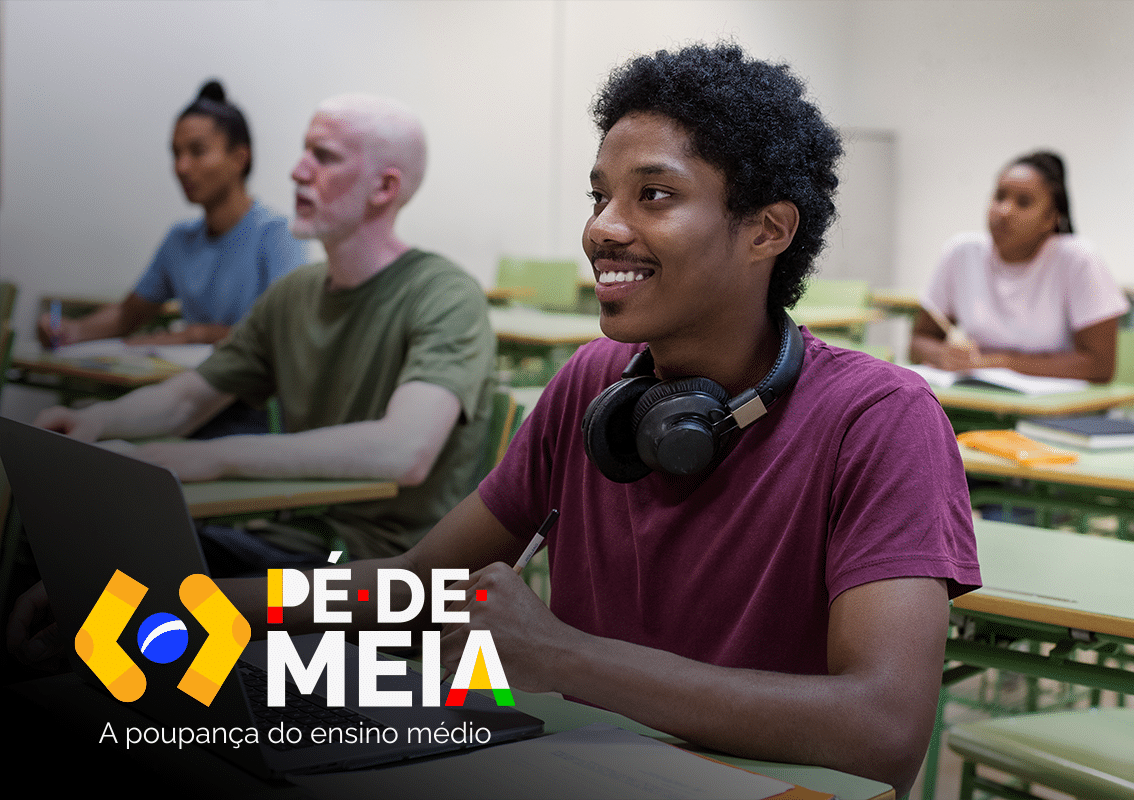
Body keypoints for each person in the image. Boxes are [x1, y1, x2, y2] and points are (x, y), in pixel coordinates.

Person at [11, 47, 976, 795]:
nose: (603, 226)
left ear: (767, 230)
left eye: (656, 195)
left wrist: (564, 658)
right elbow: (416, 588)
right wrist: (183, 608)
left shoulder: (881, 422)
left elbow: (883, 727)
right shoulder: (594, 387)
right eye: (600, 194)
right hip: (580, 767)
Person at [30, 93, 495, 567]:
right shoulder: (293, 294)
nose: (297, 171)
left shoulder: (446, 295)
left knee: (157, 592)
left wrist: (215, 457)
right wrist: (95, 422)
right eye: (304, 151)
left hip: (382, 574)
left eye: (324, 156)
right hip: (292, 538)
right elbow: (189, 399)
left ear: (384, 187)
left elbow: (405, 450)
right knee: (85, 555)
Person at [37, 81, 306, 349]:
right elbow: (126, 316)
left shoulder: (279, 236)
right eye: (176, 154)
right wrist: (72, 330)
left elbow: (284, 333)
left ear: (239, 158)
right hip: (191, 384)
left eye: (197, 151)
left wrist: (195, 336)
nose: (181, 167)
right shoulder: (180, 240)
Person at [909, 150, 1129, 381]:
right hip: (978, 399)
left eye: (1023, 203)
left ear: (1050, 218)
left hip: (1058, 411)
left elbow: (1099, 366)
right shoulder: (961, 252)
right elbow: (918, 341)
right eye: (999, 197)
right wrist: (943, 354)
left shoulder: (1078, 259)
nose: (1004, 211)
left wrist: (1003, 362)